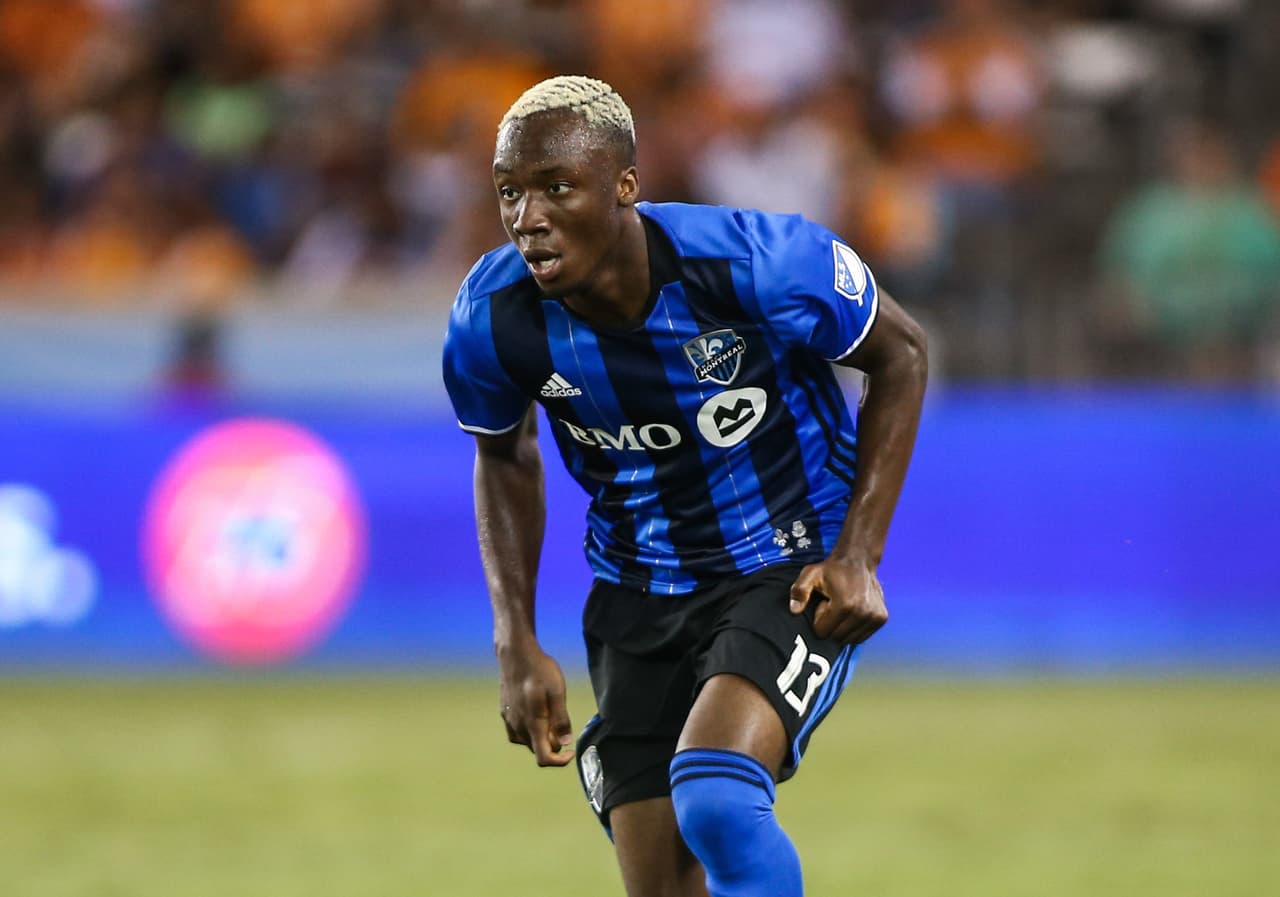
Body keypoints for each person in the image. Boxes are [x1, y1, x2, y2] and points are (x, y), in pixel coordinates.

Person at [442, 75, 928, 897]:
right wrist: (514, 636)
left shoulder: (756, 263)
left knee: (719, 799)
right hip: (636, 592)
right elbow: (504, 453)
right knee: (663, 886)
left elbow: (902, 353)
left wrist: (857, 554)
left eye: (557, 187)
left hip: (784, 565)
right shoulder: (493, 318)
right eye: (510, 193)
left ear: (625, 186)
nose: (530, 217)